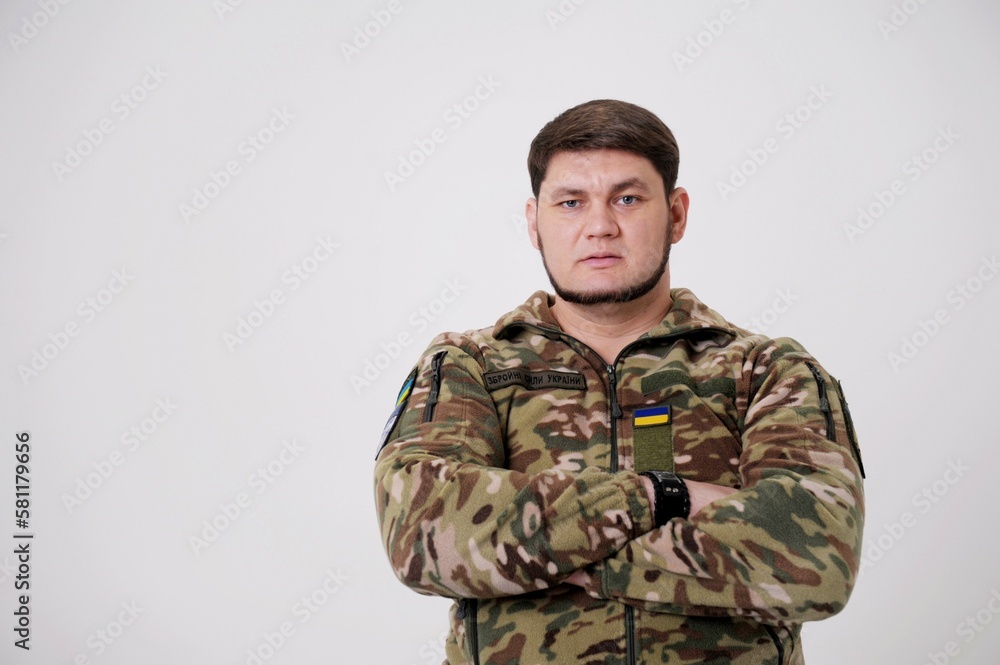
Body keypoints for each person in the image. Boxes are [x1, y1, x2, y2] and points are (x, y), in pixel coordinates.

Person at [374, 99, 865, 665]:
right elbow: (422, 533)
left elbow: (815, 559)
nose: (600, 226)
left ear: (676, 215)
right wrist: (663, 497)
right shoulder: (471, 365)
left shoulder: (766, 371)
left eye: (627, 199)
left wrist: (540, 551)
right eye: (571, 202)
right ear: (535, 222)